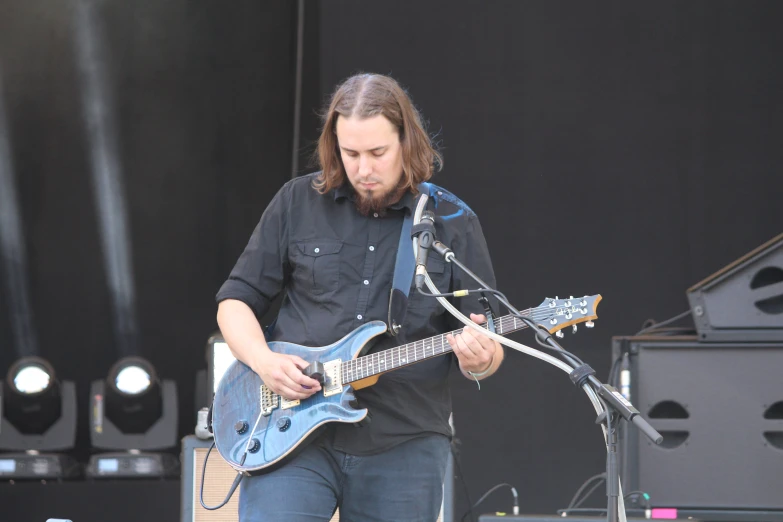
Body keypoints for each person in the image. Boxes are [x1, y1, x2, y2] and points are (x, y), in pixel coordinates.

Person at [216, 73, 503, 522]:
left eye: (378, 153)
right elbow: (235, 301)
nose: (363, 169)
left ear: (406, 142)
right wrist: (263, 362)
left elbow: (487, 346)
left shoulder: (452, 221)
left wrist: (479, 359)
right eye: (350, 153)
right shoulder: (297, 201)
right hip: (293, 435)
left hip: (404, 441)